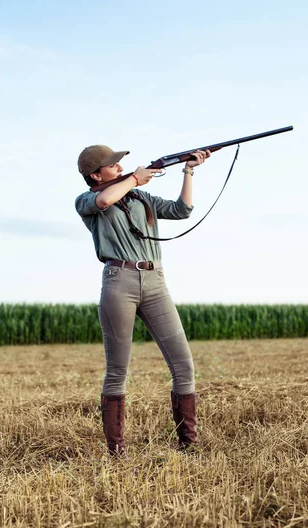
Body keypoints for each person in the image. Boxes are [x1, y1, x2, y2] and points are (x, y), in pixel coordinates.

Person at [75, 143, 210, 456]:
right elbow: (106, 198)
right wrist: (135, 179)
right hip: (118, 281)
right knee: (117, 369)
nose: (120, 167)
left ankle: (188, 445)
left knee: (183, 363)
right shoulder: (87, 200)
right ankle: (117, 451)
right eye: (112, 165)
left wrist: (188, 171)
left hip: (155, 281)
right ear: (95, 175)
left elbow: (181, 210)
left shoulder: (140, 196)